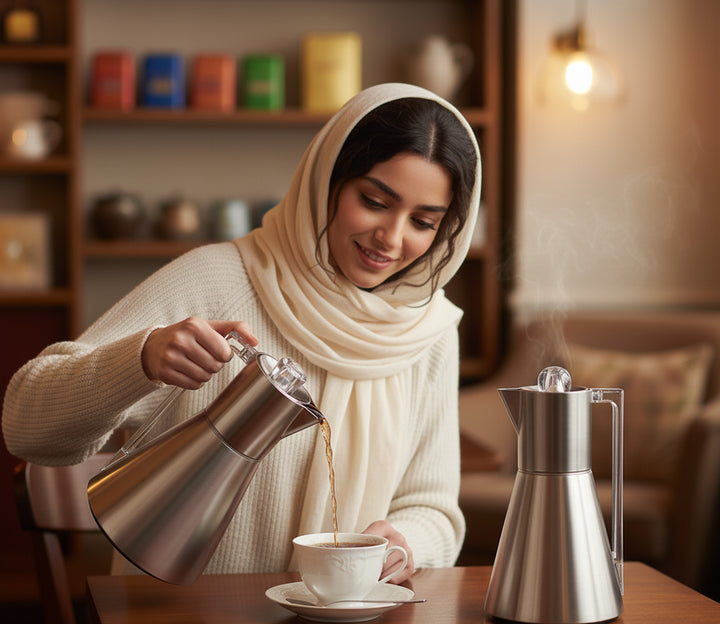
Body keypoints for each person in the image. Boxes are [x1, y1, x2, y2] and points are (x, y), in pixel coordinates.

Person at [2, 82, 481, 586]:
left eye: (424, 222)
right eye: (374, 201)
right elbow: (25, 426)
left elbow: (434, 513)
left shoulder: (427, 332)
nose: (393, 237)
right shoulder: (217, 282)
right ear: (328, 182)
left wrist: (404, 544)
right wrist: (141, 359)